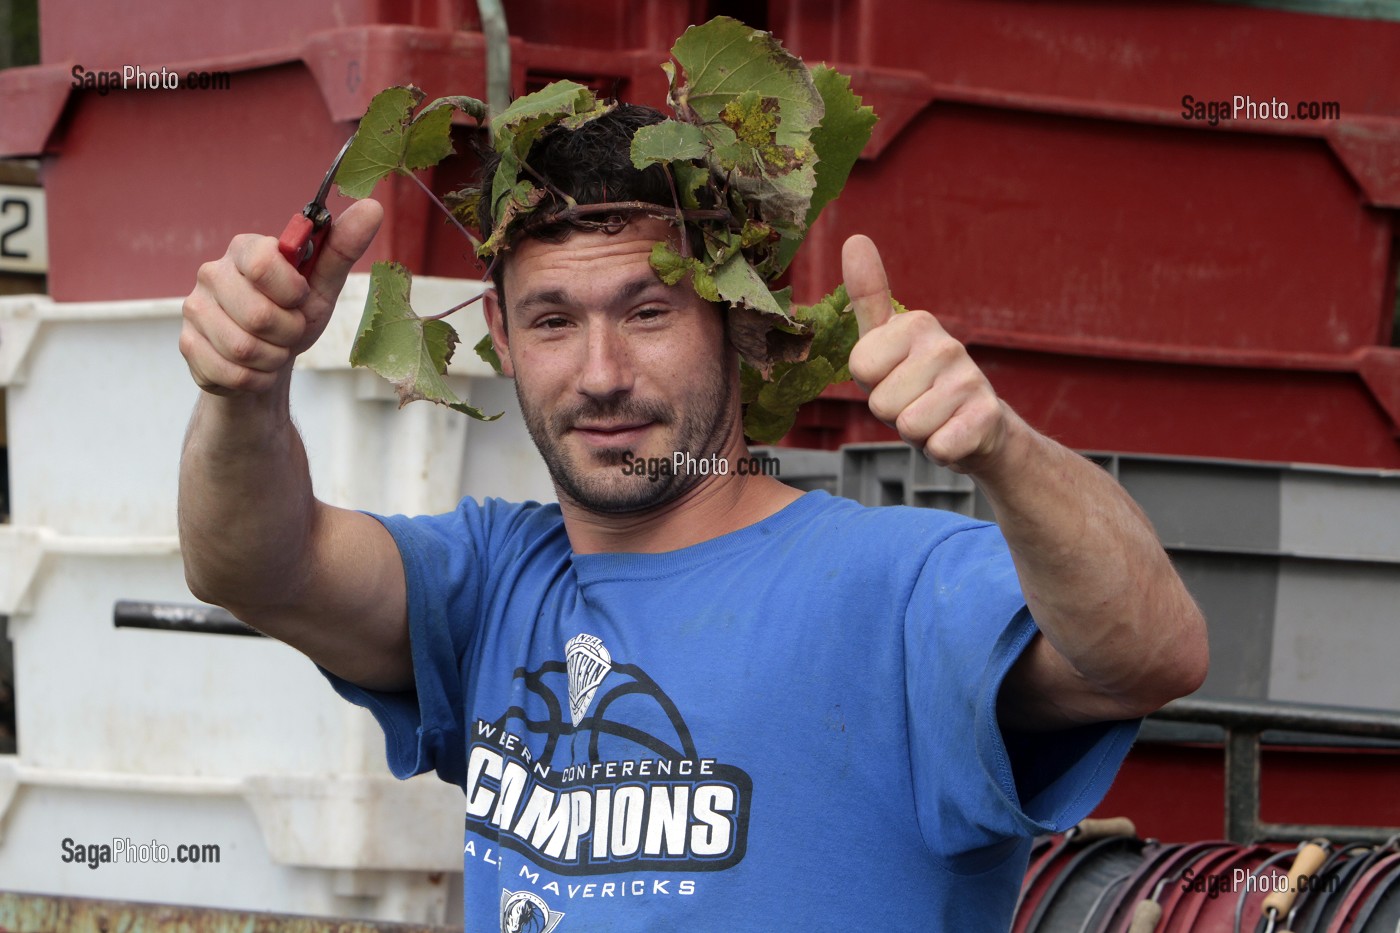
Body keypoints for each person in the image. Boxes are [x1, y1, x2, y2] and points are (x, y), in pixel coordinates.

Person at [178, 104, 1207, 931]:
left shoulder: (893, 584)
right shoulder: (490, 581)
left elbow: (1152, 653)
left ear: (740, 317)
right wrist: (244, 386)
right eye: (551, 321)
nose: (599, 375)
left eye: (647, 311)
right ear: (498, 331)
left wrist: (1002, 448)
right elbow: (252, 564)